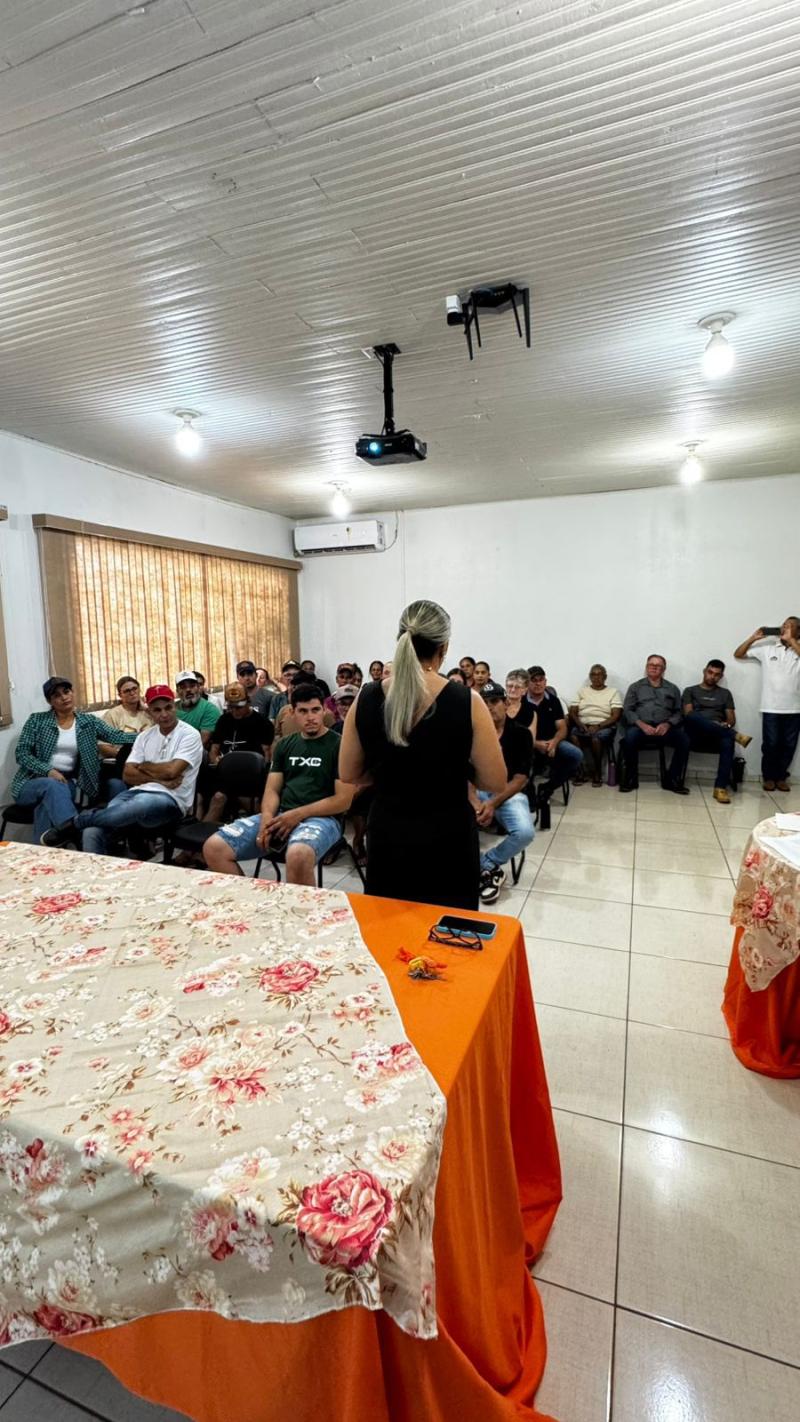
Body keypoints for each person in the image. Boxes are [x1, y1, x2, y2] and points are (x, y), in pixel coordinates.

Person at [339, 599, 506, 910]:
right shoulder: (467, 701)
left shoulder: (367, 697)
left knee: (391, 935)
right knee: (448, 939)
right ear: (443, 647)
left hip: (389, 833)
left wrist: (390, 773)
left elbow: (349, 772)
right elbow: (495, 780)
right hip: (448, 836)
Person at [204, 683, 354, 885]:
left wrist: (297, 815)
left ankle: (300, 914)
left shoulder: (339, 745)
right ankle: (251, 904)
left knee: (298, 855)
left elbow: (343, 801)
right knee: (214, 847)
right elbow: (272, 789)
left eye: (315, 710)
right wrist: (266, 818)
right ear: (292, 713)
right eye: (303, 711)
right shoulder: (285, 745)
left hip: (323, 819)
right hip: (281, 814)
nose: (310, 717)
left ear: (324, 710)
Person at [42, 686, 203, 855]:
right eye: (157, 710)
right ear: (149, 712)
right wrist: (159, 780)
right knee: (94, 829)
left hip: (171, 799)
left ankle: (76, 823)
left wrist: (143, 766)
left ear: (174, 706)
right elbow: (127, 774)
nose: (164, 714)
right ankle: (94, 876)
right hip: (136, 792)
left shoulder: (189, 735)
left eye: (168, 707)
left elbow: (172, 771)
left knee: (137, 805)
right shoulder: (144, 737)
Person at [13, 677, 137, 842]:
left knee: (46, 804)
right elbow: (22, 753)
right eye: (57, 695)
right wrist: (48, 770)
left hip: (68, 782)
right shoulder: (37, 720)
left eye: (67, 691)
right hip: (30, 782)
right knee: (52, 786)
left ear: (73, 693)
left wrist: (152, 733)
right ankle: (75, 834)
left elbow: (116, 736)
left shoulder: (88, 722)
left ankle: (42, 851)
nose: (64, 697)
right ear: (50, 701)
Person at [471, 686, 534, 904]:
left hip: (507, 792)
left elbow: (520, 779)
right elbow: (463, 773)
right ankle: (480, 869)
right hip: (476, 791)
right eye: (485, 702)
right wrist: (476, 801)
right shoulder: (472, 733)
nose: (489, 707)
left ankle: (485, 864)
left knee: (525, 832)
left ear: (506, 703)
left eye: (495, 701)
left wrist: (492, 803)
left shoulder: (520, 733)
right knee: (447, 822)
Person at [734, 620, 800, 791]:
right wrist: (753, 638)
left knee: (789, 745)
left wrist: (793, 642)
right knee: (770, 744)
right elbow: (738, 654)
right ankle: (769, 777)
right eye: (784, 625)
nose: (784, 627)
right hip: (770, 706)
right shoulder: (768, 649)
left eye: (790, 625)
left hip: (794, 708)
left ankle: (781, 777)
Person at [682, 661, 751, 804]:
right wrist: (712, 724)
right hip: (695, 733)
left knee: (727, 741)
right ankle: (736, 735)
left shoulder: (725, 694)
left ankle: (720, 788)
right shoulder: (690, 691)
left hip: (717, 735)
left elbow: (731, 719)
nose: (712, 676)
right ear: (704, 671)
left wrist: (726, 724)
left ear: (721, 676)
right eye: (710, 672)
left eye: (717, 674)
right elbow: (688, 713)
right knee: (693, 716)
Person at [620, 655, 690, 794]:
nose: (654, 667)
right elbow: (627, 710)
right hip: (640, 728)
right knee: (629, 739)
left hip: (664, 729)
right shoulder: (636, 687)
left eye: (658, 665)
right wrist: (642, 725)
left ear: (663, 669)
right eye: (651, 664)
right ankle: (630, 779)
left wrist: (668, 724)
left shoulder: (672, 688)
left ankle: (672, 780)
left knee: (684, 740)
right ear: (646, 667)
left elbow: (679, 712)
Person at [527, 667, 582, 802]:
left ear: (546, 682)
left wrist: (554, 743)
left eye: (541, 680)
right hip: (529, 743)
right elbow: (519, 731)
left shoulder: (553, 700)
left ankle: (548, 787)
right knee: (521, 759)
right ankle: (529, 794)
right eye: (534, 680)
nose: (538, 684)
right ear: (527, 683)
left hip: (553, 742)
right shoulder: (521, 702)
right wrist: (536, 744)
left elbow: (562, 728)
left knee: (576, 755)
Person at [569, 665, 623, 786]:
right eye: (593, 674)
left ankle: (597, 771)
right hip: (583, 724)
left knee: (595, 738)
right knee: (573, 736)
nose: (596, 677)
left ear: (605, 677)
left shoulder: (613, 692)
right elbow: (573, 711)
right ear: (590, 677)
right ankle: (580, 771)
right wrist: (580, 724)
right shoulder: (582, 691)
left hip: (604, 726)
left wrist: (599, 726)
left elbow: (616, 715)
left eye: (600, 674)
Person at [174, 670, 221, 746]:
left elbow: (201, 743)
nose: (188, 690)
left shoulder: (210, 709)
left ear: (198, 688)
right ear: (177, 691)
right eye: (183, 687)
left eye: (192, 686)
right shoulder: (171, 709)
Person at [505, 669, 536, 734]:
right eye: (510, 686)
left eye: (517, 687)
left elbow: (530, 740)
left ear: (525, 690)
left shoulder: (530, 711)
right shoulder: (497, 706)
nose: (513, 690)